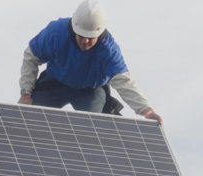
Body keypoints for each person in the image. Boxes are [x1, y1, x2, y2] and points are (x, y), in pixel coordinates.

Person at [18, 0, 163, 124]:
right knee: (31, 116)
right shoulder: (56, 32)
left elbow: (124, 83)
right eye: (81, 36)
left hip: (90, 91)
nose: (85, 41)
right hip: (55, 84)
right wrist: (26, 93)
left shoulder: (108, 50)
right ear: (74, 28)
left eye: (90, 37)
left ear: (99, 34)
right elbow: (31, 57)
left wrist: (147, 111)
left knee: (90, 128)